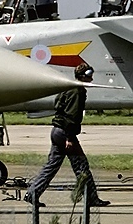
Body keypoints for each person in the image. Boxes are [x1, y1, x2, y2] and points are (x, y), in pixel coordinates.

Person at [24, 63, 110, 208]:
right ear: (83, 76)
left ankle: (32, 193)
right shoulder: (77, 92)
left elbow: (57, 105)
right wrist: (70, 138)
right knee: (82, 166)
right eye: (89, 75)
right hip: (65, 133)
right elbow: (72, 116)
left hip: (57, 131)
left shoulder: (67, 87)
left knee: (51, 166)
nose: (91, 78)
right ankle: (91, 198)